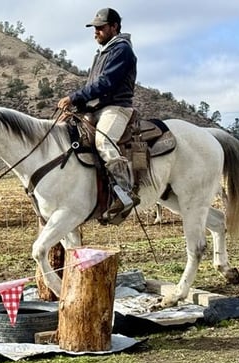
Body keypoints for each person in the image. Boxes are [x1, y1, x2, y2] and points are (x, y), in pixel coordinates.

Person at [57, 7, 138, 222]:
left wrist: (73, 97)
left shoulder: (122, 50)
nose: (96, 32)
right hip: (97, 108)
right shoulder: (102, 53)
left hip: (116, 107)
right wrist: (75, 109)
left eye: (101, 28)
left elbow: (105, 84)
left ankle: (124, 192)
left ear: (114, 27)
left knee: (103, 142)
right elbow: (92, 87)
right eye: (95, 28)